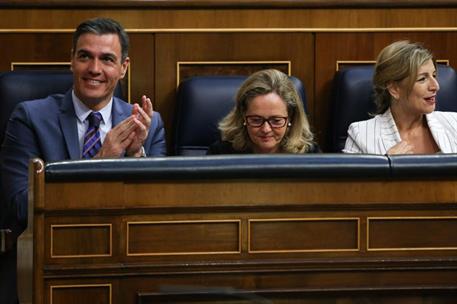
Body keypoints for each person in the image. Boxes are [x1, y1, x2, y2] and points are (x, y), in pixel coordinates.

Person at [0, 17, 166, 304]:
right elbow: (19, 206)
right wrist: (102, 161)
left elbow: (154, 213)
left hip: (122, 264)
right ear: (72, 61)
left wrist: (137, 156)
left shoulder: (147, 125)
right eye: (85, 56)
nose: (94, 69)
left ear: (123, 68)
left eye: (107, 59)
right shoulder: (30, 118)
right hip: (50, 263)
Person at [343, 40, 457, 154]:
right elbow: (348, 172)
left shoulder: (454, 123)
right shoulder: (360, 135)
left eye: (434, 75)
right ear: (394, 89)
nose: (436, 86)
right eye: (422, 79)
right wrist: (387, 166)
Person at [207, 69, 318, 154]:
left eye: (276, 120)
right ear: (243, 116)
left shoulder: (309, 155)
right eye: (256, 120)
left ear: (291, 118)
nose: (266, 129)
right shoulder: (221, 153)